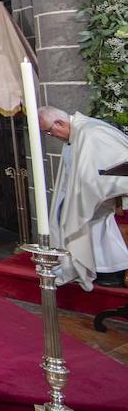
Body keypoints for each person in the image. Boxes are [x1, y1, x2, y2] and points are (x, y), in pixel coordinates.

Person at [40, 107, 128, 289]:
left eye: (49, 131)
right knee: (72, 219)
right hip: (86, 194)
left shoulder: (92, 133)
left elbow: (110, 165)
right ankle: (95, 269)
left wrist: (82, 196)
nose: (50, 135)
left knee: (88, 224)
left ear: (60, 123)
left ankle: (111, 271)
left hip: (100, 195)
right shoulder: (76, 135)